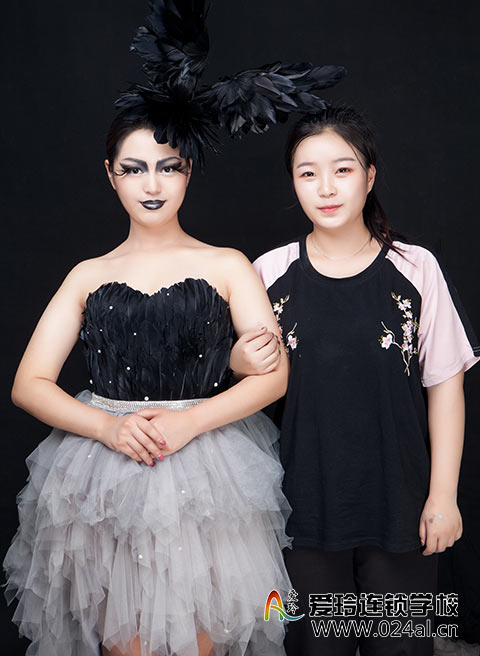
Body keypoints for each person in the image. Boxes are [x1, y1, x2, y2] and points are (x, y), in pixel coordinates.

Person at [230, 104, 480, 656]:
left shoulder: (416, 267)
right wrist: (237, 361)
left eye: (342, 169)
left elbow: (445, 387)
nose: (326, 188)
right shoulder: (267, 272)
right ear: (293, 182)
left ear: (369, 176)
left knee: (400, 646)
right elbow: (241, 378)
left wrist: (443, 496)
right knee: (316, 646)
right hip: (301, 511)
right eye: (308, 173)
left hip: (403, 507)